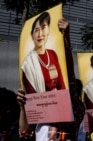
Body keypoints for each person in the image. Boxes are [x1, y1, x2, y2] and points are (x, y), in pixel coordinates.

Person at [17, 11, 74, 141]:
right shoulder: (28, 64)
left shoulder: (53, 54)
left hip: (63, 124)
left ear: (48, 29)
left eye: (43, 27)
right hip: (43, 128)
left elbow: (66, 79)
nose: (40, 33)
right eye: (36, 30)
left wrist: (66, 37)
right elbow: (26, 125)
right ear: (32, 35)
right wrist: (22, 107)